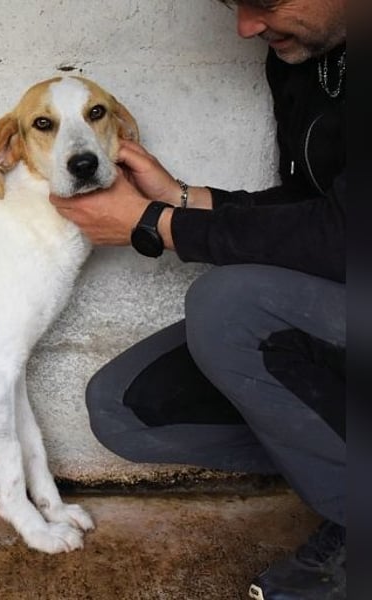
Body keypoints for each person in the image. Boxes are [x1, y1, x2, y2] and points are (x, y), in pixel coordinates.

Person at [49, 1, 346, 599]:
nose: (246, 27)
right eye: (234, 5)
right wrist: (186, 199)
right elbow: (309, 206)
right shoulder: (306, 54)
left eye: (266, 2)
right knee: (125, 408)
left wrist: (156, 224)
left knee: (229, 306)